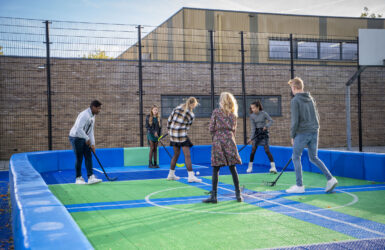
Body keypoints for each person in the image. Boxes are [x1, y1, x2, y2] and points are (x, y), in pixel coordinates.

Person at [287, 77, 338, 193]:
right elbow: (317, 117)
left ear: (294, 87)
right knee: (313, 157)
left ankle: (299, 186)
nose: (291, 90)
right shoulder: (310, 98)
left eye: (291, 88)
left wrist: (292, 135)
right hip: (314, 131)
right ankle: (331, 179)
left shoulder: (295, 100)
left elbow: (295, 121)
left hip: (302, 132)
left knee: (296, 157)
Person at [203, 92, 243, 203]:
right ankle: (238, 195)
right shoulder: (233, 115)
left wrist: (217, 134)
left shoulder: (216, 112)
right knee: (232, 168)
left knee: (216, 168)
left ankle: (214, 196)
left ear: (222, 101)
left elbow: (211, 128)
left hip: (218, 140)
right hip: (230, 140)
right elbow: (234, 130)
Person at [166, 97, 202, 183]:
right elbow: (187, 127)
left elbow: (169, 120)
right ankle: (191, 176)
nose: (194, 107)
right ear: (193, 104)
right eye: (194, 105)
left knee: (176, 154)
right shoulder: (191, 115)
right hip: (181, 136)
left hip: (173, 135)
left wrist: (170, 130)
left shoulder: (176, 108)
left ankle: (171, 175)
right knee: (187, 156)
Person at [69, 100, 103, 185]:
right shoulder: (84, 115)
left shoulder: (92, 116)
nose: (99, 110)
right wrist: (87, 139)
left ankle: (90, 177)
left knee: (88, 155)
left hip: (84, 137)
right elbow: (78, 129)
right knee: (79, 157)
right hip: (76, 137)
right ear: (93, 107)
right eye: (98, 108)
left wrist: (93, 144)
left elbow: (91, 131)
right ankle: (78, 178)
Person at [246, 100, 277, 174]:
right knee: (253, 150)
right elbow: (253, 128)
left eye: (254, 108)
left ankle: (273, 167)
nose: (252, 109)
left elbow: (271, 121)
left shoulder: (264, 114)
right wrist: (251, 138)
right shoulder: (252, 116)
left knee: (267, 150)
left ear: (258, 107)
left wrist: (266, 126)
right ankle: (250, 167)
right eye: (251, 108)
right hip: (256, 133)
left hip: (264, 133)